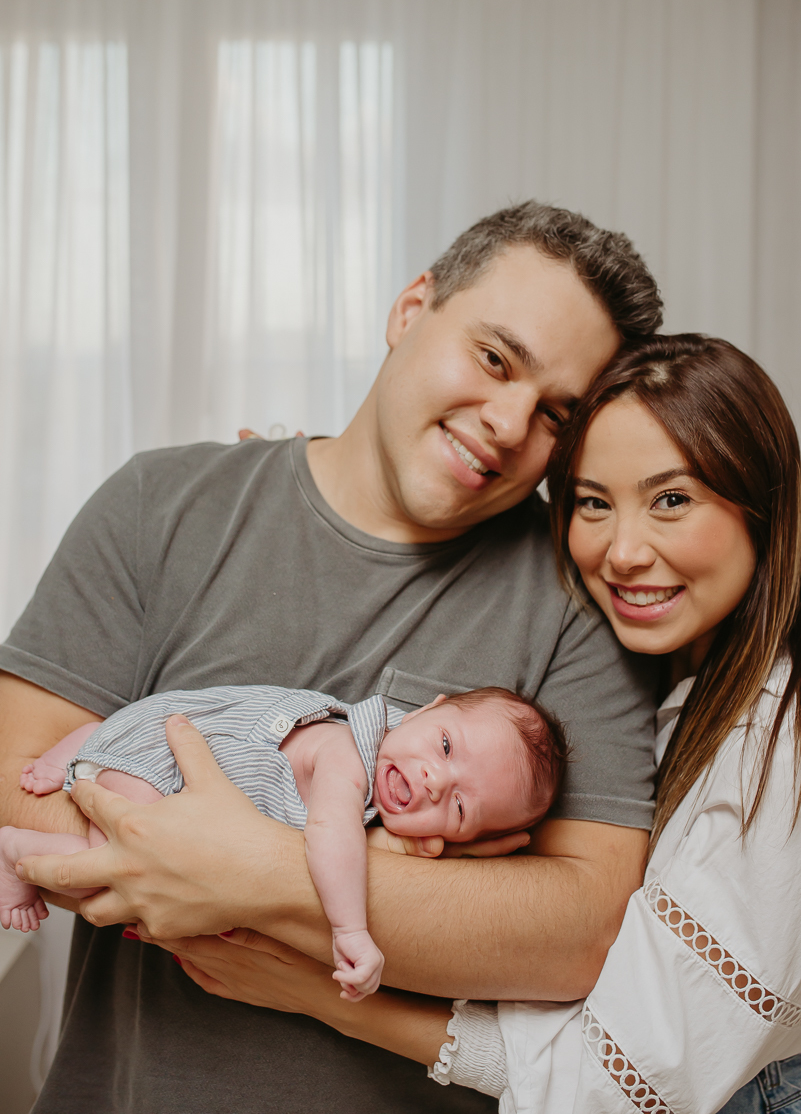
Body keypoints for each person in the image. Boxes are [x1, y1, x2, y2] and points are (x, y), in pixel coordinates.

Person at [2, 200, 663, 1114]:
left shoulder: (577, 601)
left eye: (555, 412)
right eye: (493, 357)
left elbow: (582, 932)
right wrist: (393, 882)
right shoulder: (160, 504)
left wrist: (251, 873)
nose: (510, 422)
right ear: (410, 310)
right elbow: (17, 778)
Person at [167, 335, 801, 1114]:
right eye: (593, 503)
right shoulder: (669, 669)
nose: (623, 551)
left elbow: (619, 1081)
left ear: (763, 503)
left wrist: (321, 994)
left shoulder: (775, 745)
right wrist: (316, 481)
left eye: (671, 499)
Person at [1, 683, 565, 1004]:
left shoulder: (374, 751)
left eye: (459, 807)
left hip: (146, 730)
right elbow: (328, 837)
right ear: (427, 708)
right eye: (444, 745)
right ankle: (17, 851)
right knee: (121, 869)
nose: (434, 779)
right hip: (155, 763)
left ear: (453, 839)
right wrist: (351, 932)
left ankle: (77, 754)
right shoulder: (344, 752)